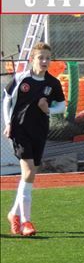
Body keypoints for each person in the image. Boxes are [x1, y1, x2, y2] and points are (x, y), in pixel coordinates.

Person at [2, 42, 65, 236]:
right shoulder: (22, 78)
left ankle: (14, 214)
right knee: (28, 171)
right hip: (20, 131)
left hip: (40, 131)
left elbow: (61, 106)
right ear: (33, 59)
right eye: (41, 57)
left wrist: (49, 110)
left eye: (47, 57)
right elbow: (6, 98)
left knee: (29, 176)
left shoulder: (52, 83)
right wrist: (8, 123)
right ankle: (26, 222)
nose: (45, 61)